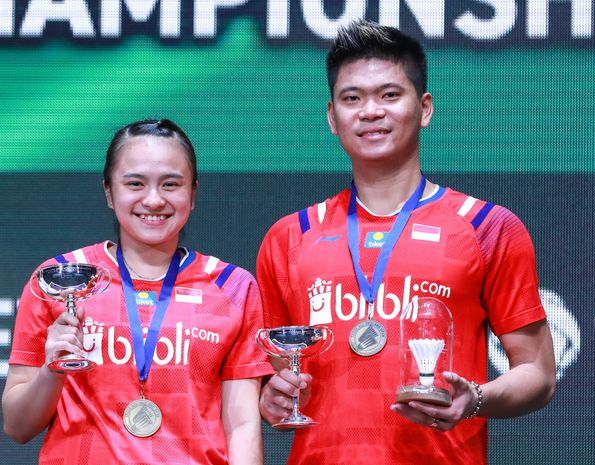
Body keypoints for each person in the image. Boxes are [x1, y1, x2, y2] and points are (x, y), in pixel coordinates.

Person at [256, 20, 557, 465]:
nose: (370, 111)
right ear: (332, 117)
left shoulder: (488, 227)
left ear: (425, 108)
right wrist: (271, 399)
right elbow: (273, 378)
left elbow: (538, 374)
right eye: (352, 98)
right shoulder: (290, 237)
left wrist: (473, 399)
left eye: (389, 95)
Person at [2, 119, 272, 464]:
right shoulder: (58, 280)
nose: (154, 199)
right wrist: (51, 372)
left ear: (193, 193)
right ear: (109, 193)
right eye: (135, 183)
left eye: (171, 184)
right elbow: (17, 426)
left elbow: (243, 426)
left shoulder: (232, 286)